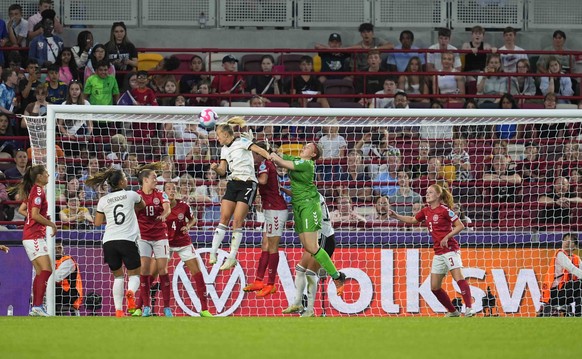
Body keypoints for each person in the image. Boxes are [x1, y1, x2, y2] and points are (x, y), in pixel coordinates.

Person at [270, 142, 347, 296]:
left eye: (308, 147)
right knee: (306, 252)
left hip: (316, 219)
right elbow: (280, 155)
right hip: (300, 208)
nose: (304, 147)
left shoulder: (306, 164)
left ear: (313, 154)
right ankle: (301, 304)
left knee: (311, 252)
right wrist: (270, 149)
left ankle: (337, 277)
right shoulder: (300, 164)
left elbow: (280, 161)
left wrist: (267, 154)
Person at [388, 184, 475, 317]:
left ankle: (469, 308)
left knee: (459, 278)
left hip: (450, 249)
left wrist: (447, 237)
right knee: (434, 287)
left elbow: (460, 225)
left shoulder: (445, 210)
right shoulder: (426, 211)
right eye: (427, 192)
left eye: (430, 192)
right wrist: (396, 216)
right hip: (438, 252)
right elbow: (412, 220)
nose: (427, 194)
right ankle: (453, 311)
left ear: (438, 195)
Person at [208, 117, 271, 270]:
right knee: (224, 217)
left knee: (237, 221)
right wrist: (216, 168)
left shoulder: (242, 141)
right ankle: (213, 252)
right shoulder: (224, 149)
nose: (217, 138)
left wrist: (270, 157)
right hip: (233, 183)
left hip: (247, 183)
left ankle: (231, 257)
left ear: (225, 134)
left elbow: (259, 150)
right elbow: (223, 171)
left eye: (218, 134)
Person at [87, 168, 145, 317]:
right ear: (121, 182)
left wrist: (111, 217)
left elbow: (98, 222)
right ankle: (131, 292)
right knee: (134, 275)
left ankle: (119, 310)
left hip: (109, 241)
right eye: (125, 177)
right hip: (127, 240)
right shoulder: (131, 195)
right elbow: (142, 206)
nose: (127, 180)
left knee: (118, 276)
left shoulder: (103, 200)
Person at [243, 141, 289, 297]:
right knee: (265, 244)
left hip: (276, 210)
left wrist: (249, 178)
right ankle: (258, 281)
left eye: (253, 153)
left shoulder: (264, 164)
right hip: (271, 208)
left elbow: (262, 181)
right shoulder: (268, 164)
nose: (251, 157)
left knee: (272, 246)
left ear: (259, 153)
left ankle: (270, 284)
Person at [163, 182, 213, 317]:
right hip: (165, 243)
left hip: (183, 242)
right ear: (164, 192)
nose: (171, 191)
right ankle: (163, 307)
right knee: (157, 273)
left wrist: (188, 226)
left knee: (197, 273)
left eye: (174, 188)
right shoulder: (160, 207)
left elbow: (193, 219)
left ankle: (204, 309)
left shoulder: (183, 206)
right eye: (168, 189)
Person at [283, 193, 335, 317]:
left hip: (324, 237)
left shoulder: (313, 198)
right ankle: (298, 303)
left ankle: (310, 310)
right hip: (316, 238)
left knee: (310, 273)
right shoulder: (310, 194)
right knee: (300, 269)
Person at [14, 164, 57, 316]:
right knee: (46, 270)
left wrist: (41, 219)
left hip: (30, 236)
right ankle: (37, 306)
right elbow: (35, 214)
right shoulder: (38, 190)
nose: (48, 175)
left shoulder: (34, 190)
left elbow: (24, 211)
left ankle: (36, 307)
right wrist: (51, 224)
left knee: (40, 271)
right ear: (39, 177)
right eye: (46, 173)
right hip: (34, 236)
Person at [132, 162, 172, 317]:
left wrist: (164, 215)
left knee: (163, 270)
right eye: (154, 177)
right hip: (143, 237)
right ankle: (146, 307)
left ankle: (167, 307)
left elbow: (167, 208)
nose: (156, 180)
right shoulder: (137, 196)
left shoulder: (160, 194)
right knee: (144, 270)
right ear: (145, 180)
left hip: (160, 235)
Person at [539, 233, 582, 316]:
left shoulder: (576, 258)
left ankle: (579, 315)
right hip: (554, 293)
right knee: (580, 283)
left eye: (571, 241)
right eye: (565, 240)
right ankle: (578, 315)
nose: (567, 242)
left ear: (575, 247)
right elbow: (571, 268)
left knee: (581, 289)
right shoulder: (560, 254)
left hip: (566, 292)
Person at [54, 240, 83, 316]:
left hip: (71, 295)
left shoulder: (68, 261)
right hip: (60, 292)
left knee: (49, 289)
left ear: (63, 249)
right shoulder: (50, 261)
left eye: (59, 248)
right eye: (54, 248)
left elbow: (56, 278)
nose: (57, 250)